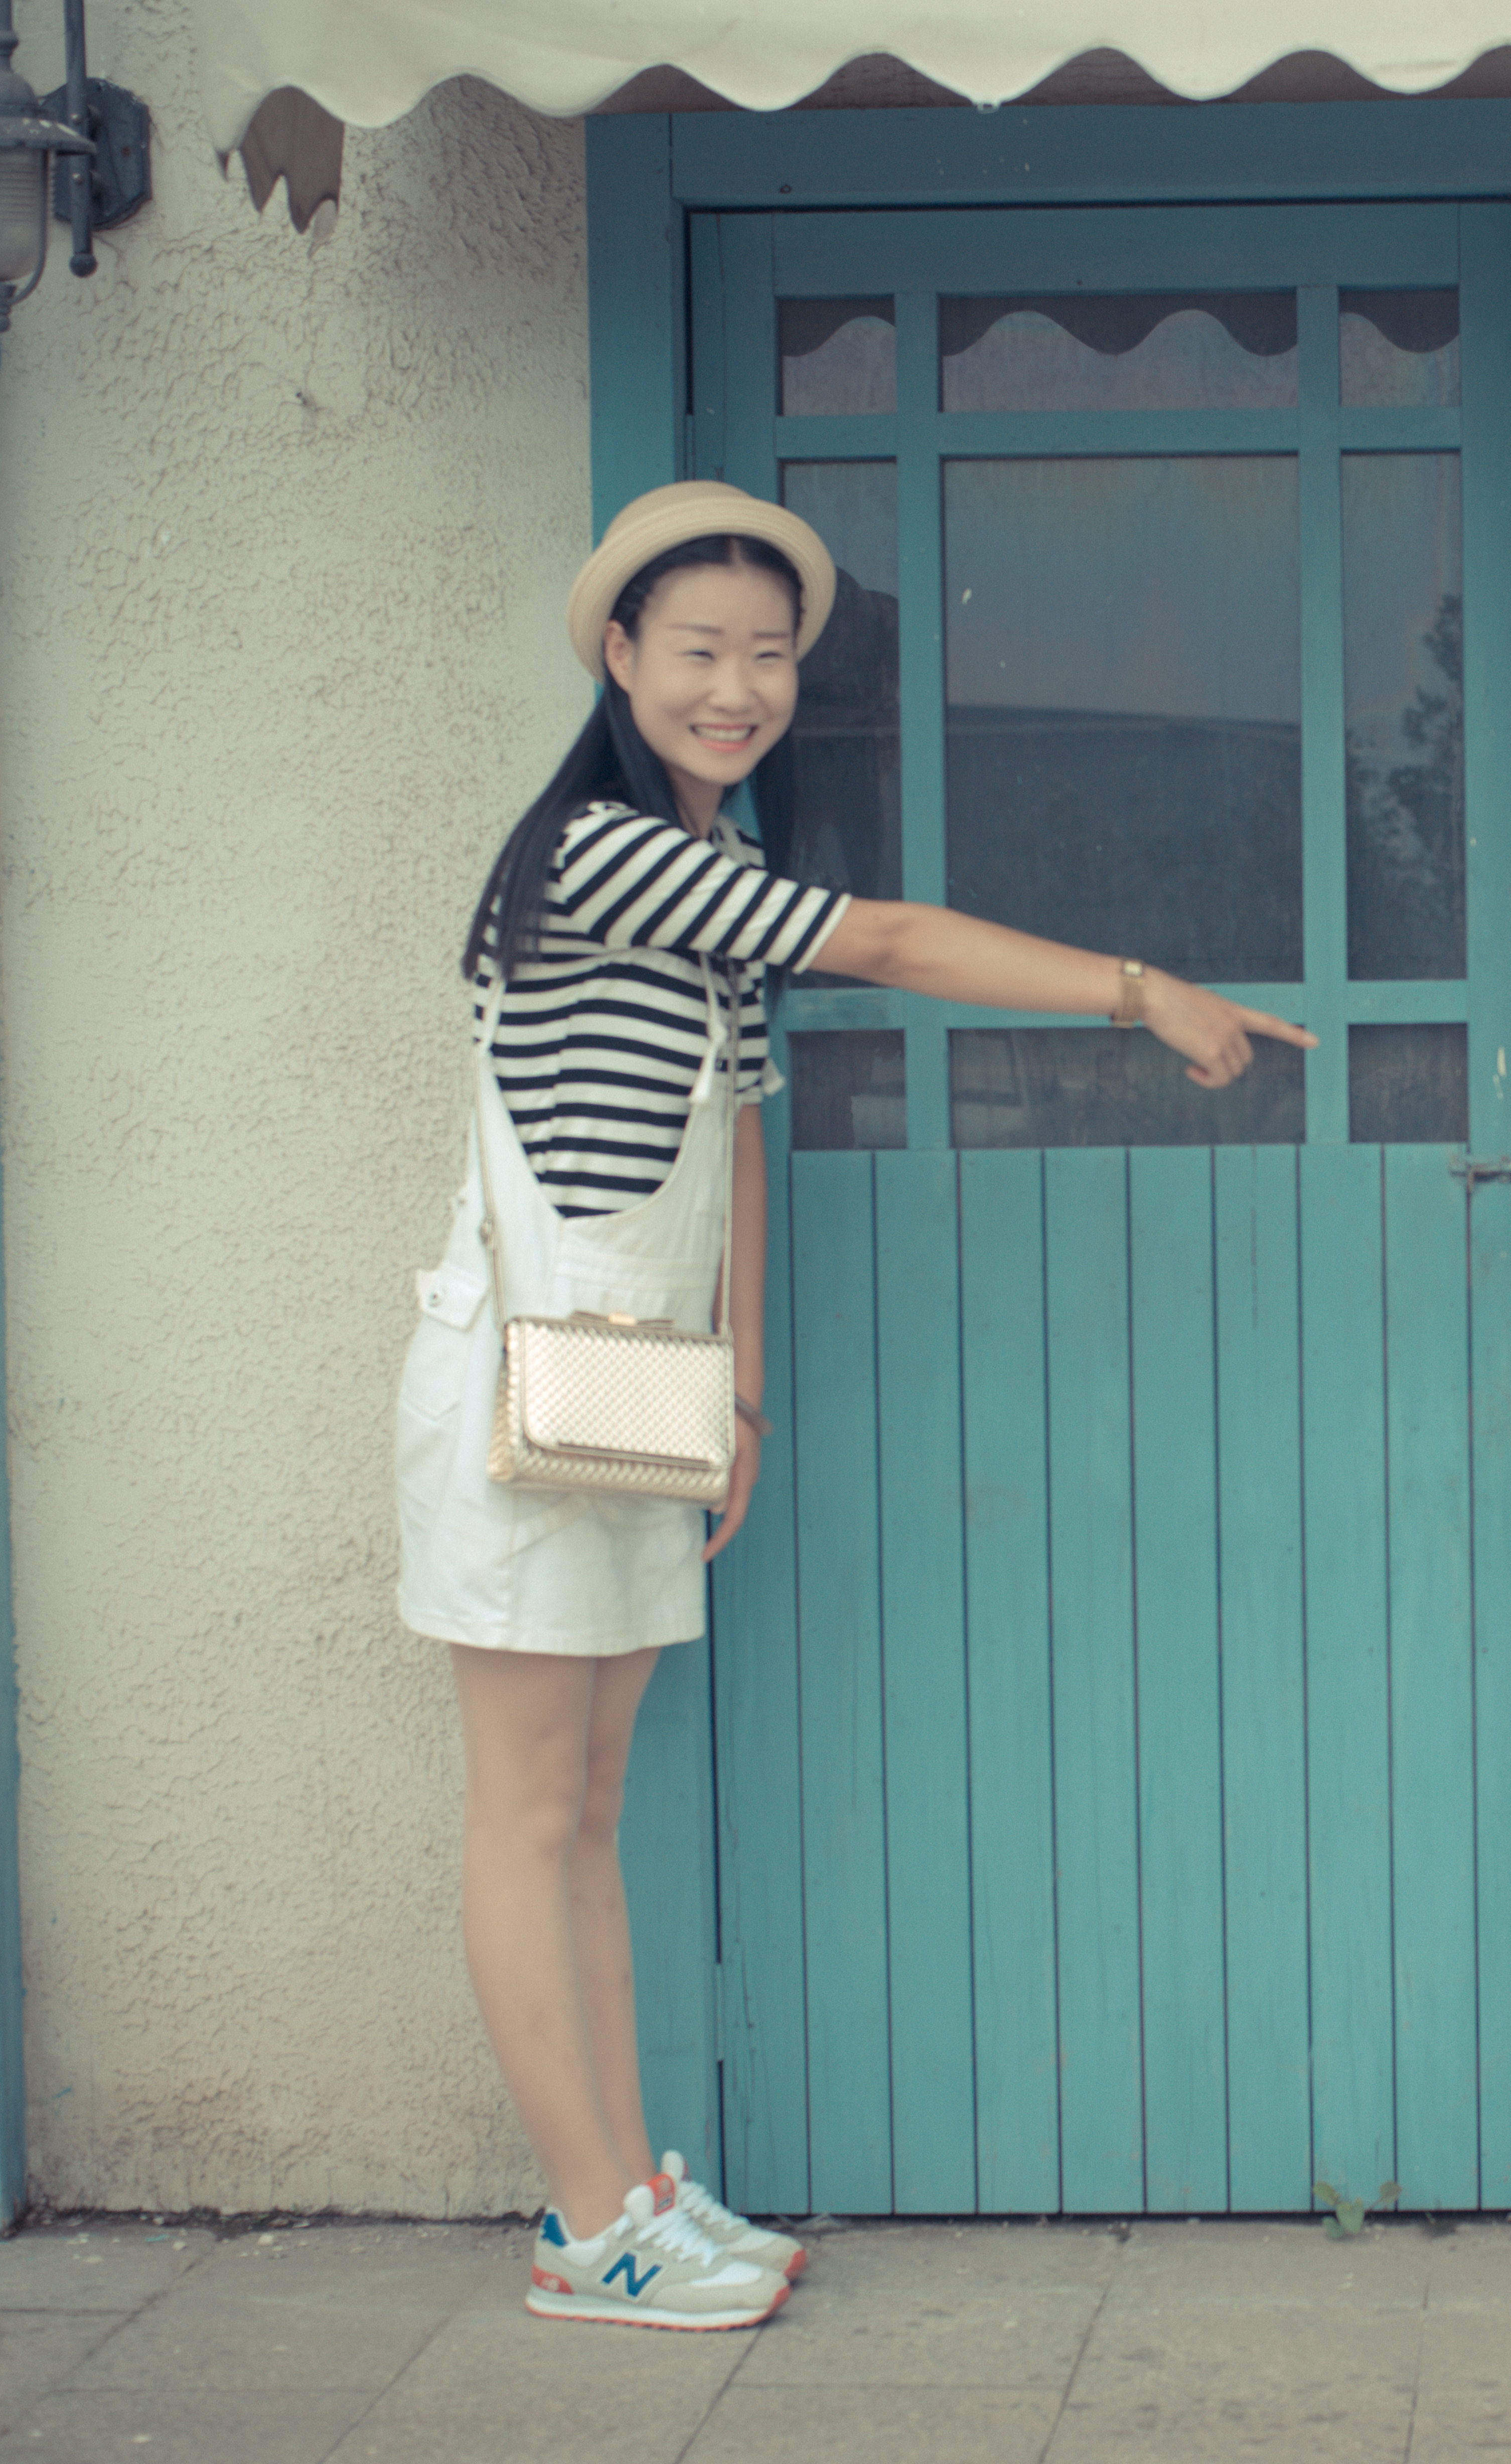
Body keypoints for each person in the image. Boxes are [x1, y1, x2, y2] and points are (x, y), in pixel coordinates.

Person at [395, 482, 1311, 2328]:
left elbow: (735, 1132)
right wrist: (1138, 991)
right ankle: (587, 2230)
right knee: (524, 1812)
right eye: (702, 651)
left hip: (633, 1396)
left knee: (590, 1810)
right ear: (620, 658)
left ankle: (633, 2184)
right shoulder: (600, 847)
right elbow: (885, 942)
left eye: (770, 655)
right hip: (518, 1389)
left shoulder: (705, 873)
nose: (738, 685)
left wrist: (744, 1396)